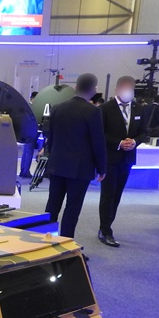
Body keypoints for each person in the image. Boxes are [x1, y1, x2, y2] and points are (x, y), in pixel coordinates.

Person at [43, 73, 106, 239]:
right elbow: (98, 142)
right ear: (94, 90)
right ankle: (65, 243)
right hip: (80, 169)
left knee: (52, 205)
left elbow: (50, 137)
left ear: (76, 87)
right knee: (73, 208)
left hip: (57, 164)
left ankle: (45, 240)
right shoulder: (93, 111)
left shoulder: (58, 108)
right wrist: (102, 168)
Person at [98, 76, 149, 247]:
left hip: (127, 159)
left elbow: (144, 132)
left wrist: (134, 142)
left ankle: (107, 225)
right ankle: (105, 230)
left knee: (117, 195)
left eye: (131, 88)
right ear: (117, 89)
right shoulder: (105, 108)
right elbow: (100, 133)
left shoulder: (138, 109)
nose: (129, 91)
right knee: (108, 195)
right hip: (110, 158)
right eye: (126, 88)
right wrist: (118, 143)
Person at [19, 91, 40, 178]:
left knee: (26, 151)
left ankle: (23, 170)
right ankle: (25, 171)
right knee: (29, 152)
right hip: (31, 131)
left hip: (27, 131)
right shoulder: (33, 108)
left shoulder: (27, 106)